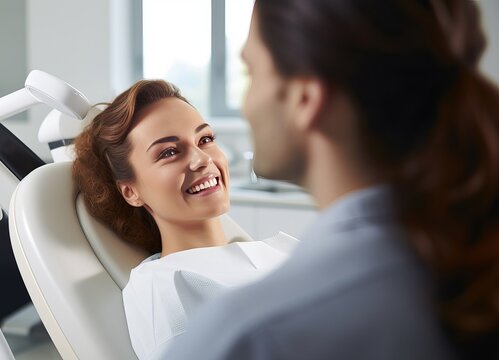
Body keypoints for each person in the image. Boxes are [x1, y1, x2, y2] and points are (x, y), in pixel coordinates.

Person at [161, 0, 499, 359]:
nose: (246, 104)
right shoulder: (467, 257)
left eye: (252, 73)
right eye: (168, 152)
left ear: (305, 98)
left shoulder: (247, 336)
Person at [72, 80, 299, 359]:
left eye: (205, 139)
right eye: (169, 152)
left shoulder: (274, 251)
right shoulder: (166, 291)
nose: (202, 159)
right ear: (131, 192)